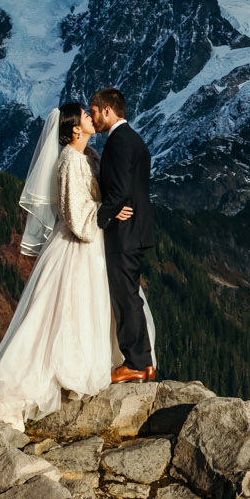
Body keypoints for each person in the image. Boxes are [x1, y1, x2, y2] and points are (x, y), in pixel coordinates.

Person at [0, 103, 116, 425]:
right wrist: (104, 217)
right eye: (86, 116)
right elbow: (74, 216)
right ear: (74, 129)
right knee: (59, 314)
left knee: (76, 311)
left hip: (89, 243)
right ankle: (33, 387)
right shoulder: (70, 161)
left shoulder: (86, 157)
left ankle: (73, 373)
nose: (90, 117)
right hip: (77, 244)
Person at [91, 88, 157, 383]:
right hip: (137, 230)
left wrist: (99, 218)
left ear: (108, 110)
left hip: (125, 233)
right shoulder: (135, 139)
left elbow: (117, 191)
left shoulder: (117, 142)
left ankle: (136, 363)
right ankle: (144, 362)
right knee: (130, 296)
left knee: (125, 298)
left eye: (94, 110)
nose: (92, 117)